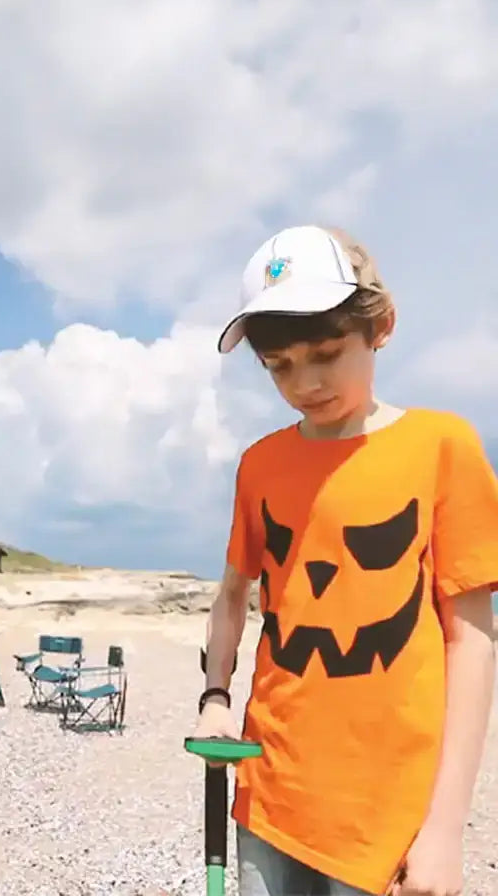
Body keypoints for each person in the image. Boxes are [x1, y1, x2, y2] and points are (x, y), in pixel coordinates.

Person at [192, 225, 498, 896]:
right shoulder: (261, 464)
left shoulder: (442, 446)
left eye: (327, 353)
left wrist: (445, 830)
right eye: (279, 366)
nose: (306, 382)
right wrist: (215, 697)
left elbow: (472, 641)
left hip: (386, 810)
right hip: (269, 788)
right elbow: (233, 594)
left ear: (380, 326)